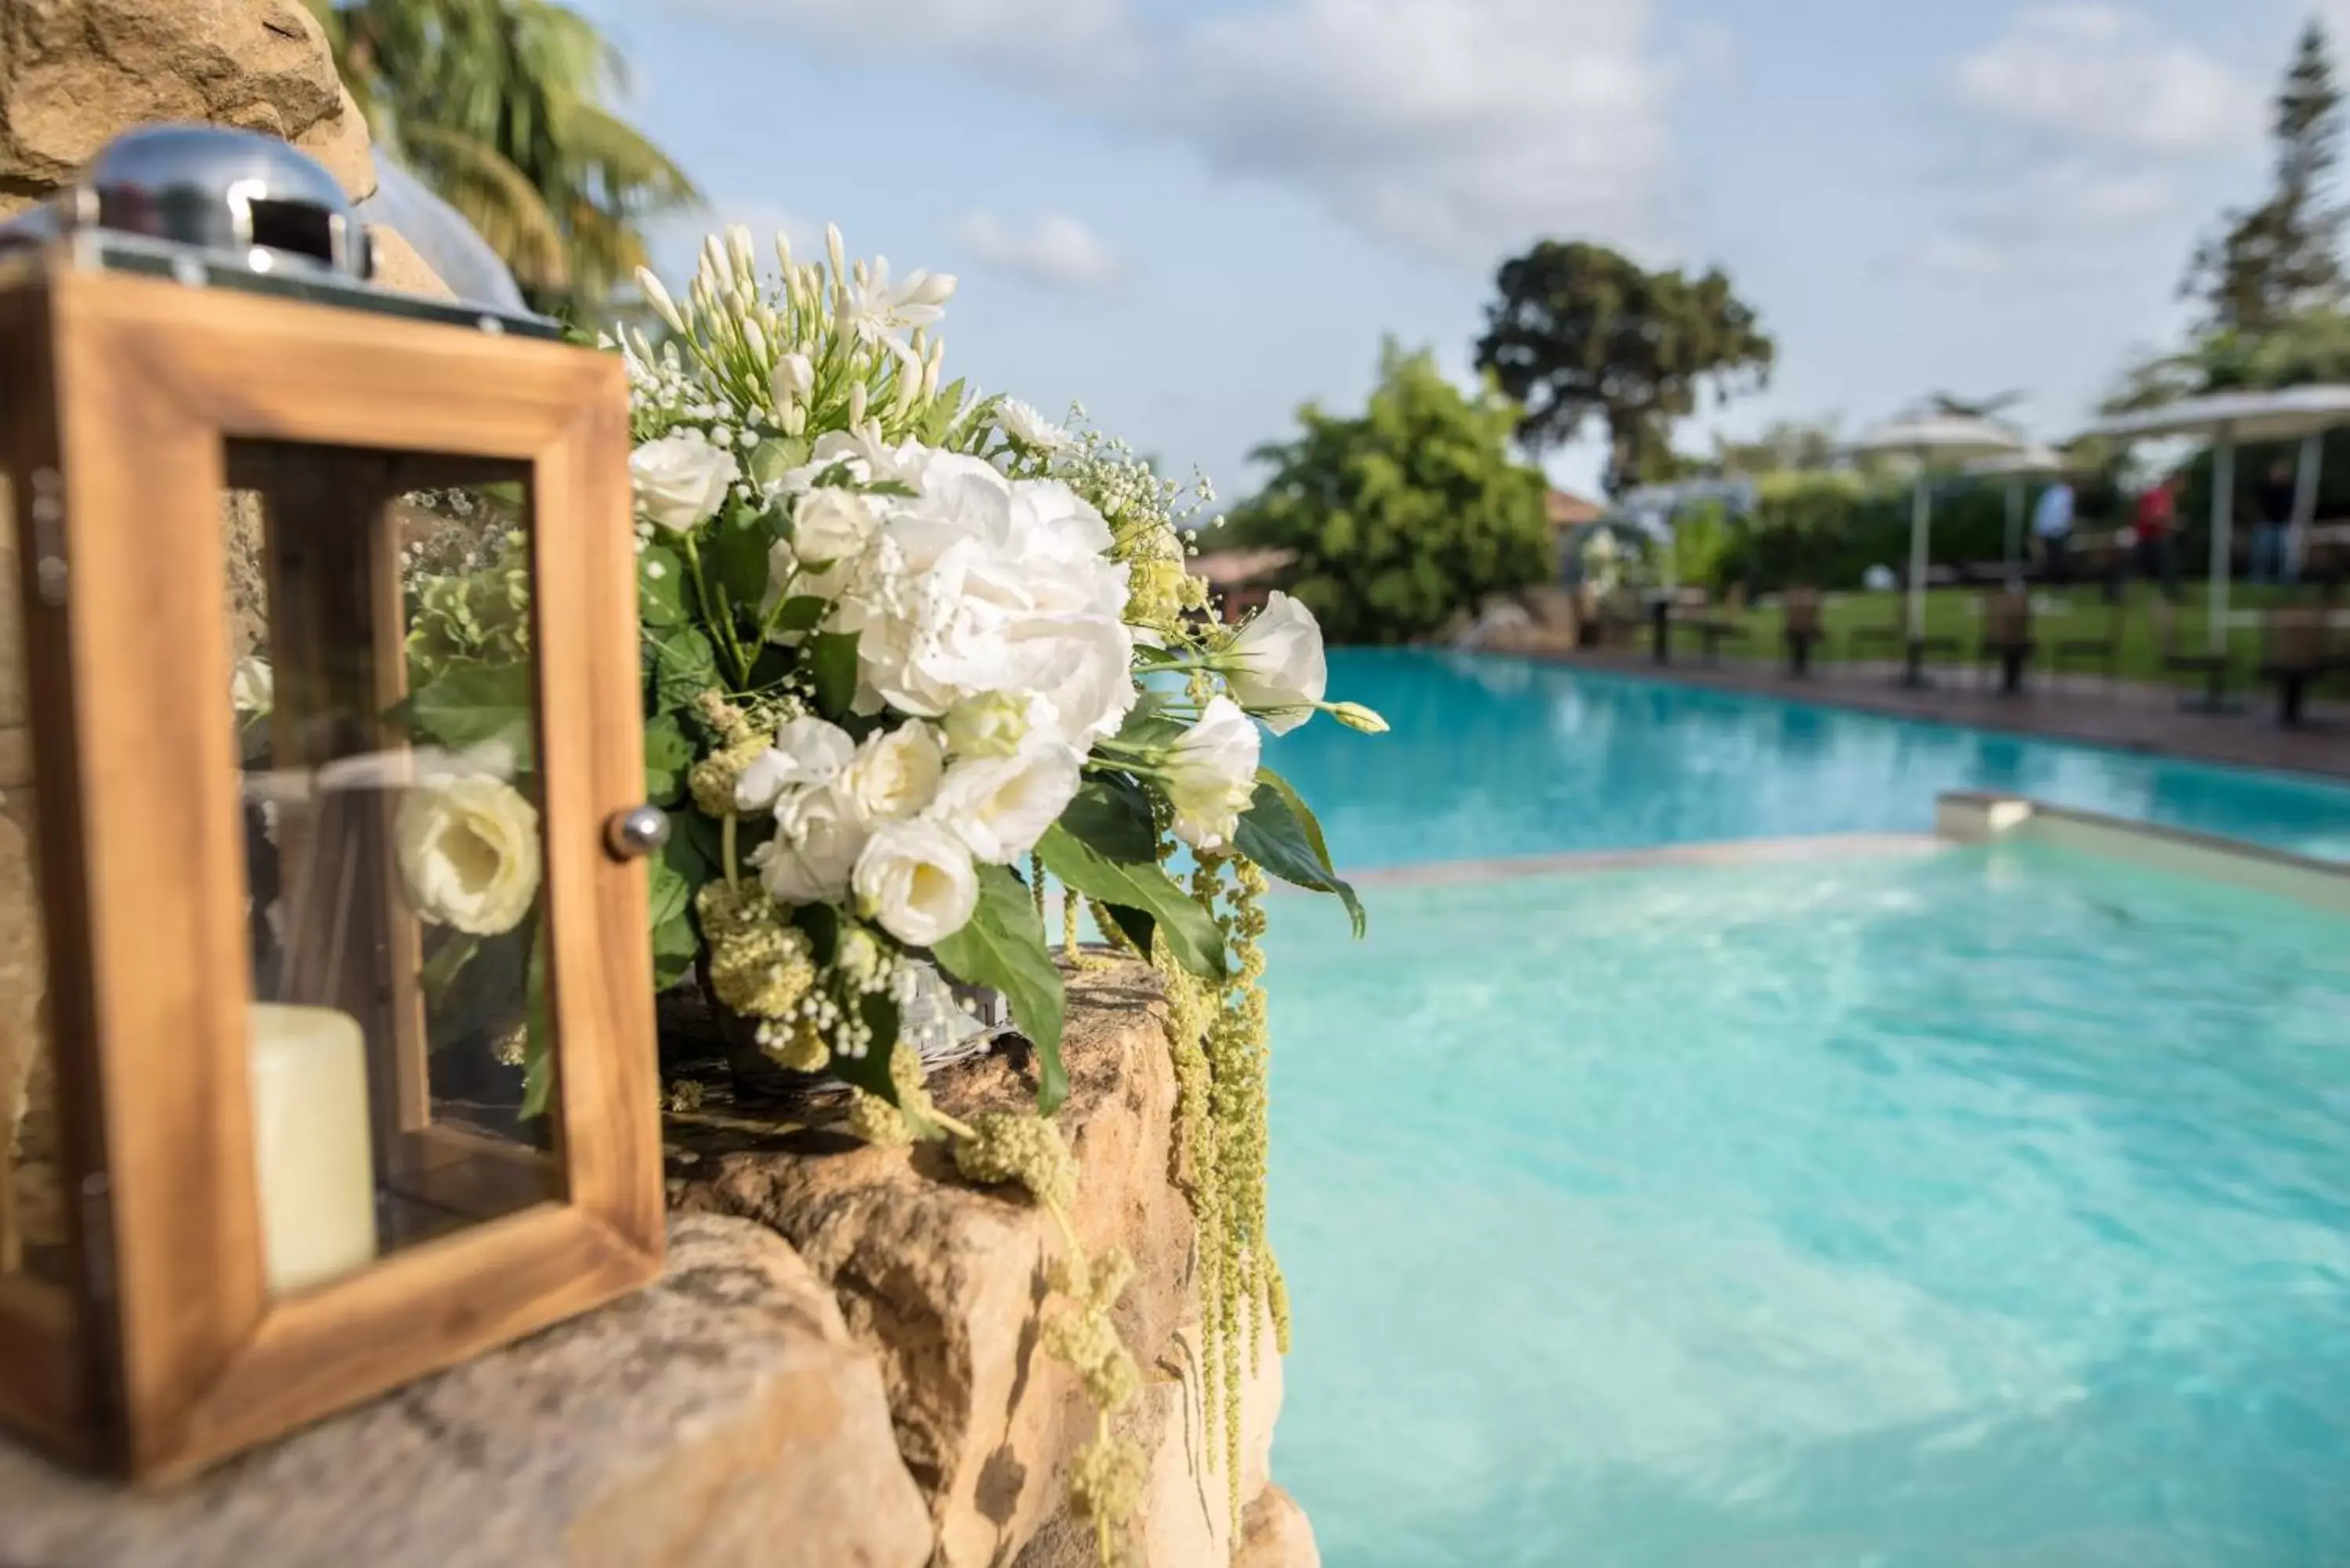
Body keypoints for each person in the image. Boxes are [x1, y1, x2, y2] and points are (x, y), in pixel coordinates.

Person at [2133, 470, 2182, 602]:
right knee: (2166, 567)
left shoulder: (2164, 497)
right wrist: (2171, 524)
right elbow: (2154, 517)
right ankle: (2169, 594)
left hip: (2155, 538)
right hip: (2154, 539)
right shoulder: (2160, 496)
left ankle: (2170, 593)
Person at [2252, 457, 2296, 584]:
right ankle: (2259, 580)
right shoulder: (2265, 487)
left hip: (2284, 524)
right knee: (2262, 554)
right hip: (2266, 524)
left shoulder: (2289, 489)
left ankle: (2286, 581)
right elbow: (2259, 504)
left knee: (2285, 555)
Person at [2031, 477, 2075, 584]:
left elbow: (2043, 513)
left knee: (2053, 556)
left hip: (2049, 530)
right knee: (2057, 556)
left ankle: (2053, 579)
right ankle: (2056, 580)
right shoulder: (2066, 495)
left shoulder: (2050, 494)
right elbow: (2064, 515)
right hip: (2056, 530)